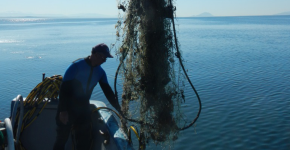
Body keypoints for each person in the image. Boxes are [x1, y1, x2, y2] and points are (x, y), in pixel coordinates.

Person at [53, 43, 121, 150]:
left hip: (83, 109)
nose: (104, 61)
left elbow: (108, 92)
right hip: (67, 108)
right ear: (97, 55)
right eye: (104, 58)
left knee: (83, 141)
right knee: (61, 139)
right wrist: (63, 111)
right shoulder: (75, 66)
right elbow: (63, 90)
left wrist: (118, 108)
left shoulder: (100, 72)